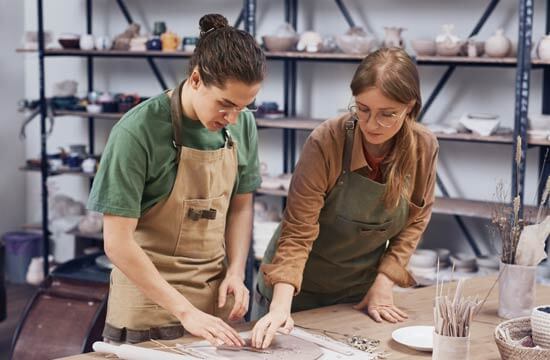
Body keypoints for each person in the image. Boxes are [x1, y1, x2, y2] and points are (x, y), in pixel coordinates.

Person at [87, 14, 266, 346]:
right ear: (196, 79)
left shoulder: (241, 125)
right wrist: (184, 312)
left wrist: (237, 271)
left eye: (244, 107)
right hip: (146, 304)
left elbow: (241, 207)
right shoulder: (137, 132)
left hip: (212, 304)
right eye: (225, 104)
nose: (233, 117)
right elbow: (117, 243)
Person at [251, 47, 439, 349]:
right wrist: (280, 306)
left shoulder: (424, 147)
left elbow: (414, 223)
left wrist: (383, 284)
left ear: (410, 107)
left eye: (387, 114)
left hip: (357, 296)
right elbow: (298, 233)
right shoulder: (327, 141)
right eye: (362, 109)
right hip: (296, 292)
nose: (371, 124)